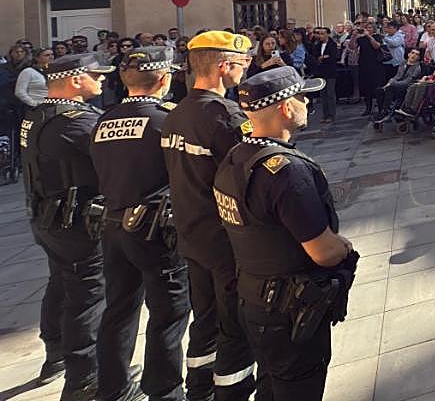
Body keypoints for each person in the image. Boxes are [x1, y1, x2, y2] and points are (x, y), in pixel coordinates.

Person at [215, 67, 356, 399]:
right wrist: (344, 247)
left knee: (271, 385)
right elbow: (323, 251)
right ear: (285, 107)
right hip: (289, 311)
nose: (307, 103)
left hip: (254, 300)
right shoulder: (286, 172)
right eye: (302, 97)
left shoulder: (236, 158)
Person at [162, 31, 257, 401]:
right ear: (223, 66)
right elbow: (246, 178)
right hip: (223, 238)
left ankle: (199, 388)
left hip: (191, 232)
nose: (244, 69)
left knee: (204, 319)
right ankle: (232, 391)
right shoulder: (226, 116)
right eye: (242, 63)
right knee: (234, 323)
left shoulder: (177, 113)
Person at [92, 46, 190, 401]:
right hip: (155, 231)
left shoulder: (103, 120)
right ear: (164, 79)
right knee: (169, 313)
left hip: (113, 225)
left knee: (119, 309)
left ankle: (112, 388)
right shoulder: (167, 119)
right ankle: (165, 391)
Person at [21, 53, 113, 400]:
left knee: (60, 282)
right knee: (87, 295)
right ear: (75, 79)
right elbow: (113, 156)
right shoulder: (76, 122)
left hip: (48, 218)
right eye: (95, 75)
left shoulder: (38, 114)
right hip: (76, 223)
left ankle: (56, 353)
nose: (101, 80)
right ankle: (84, 378)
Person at [307, 27, 340, 124]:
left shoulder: (332, 44)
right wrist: (320, 58)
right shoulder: (317, 45)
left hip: (330, 72)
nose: (320, 35)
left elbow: (332, 57)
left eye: (323, 33)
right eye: (319, 33)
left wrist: (324, 58)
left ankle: (331, 114)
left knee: (330, 94)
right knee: (323, 94)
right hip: (321, 72)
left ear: (328, 34)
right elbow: (315, 56)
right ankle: (325, 114)